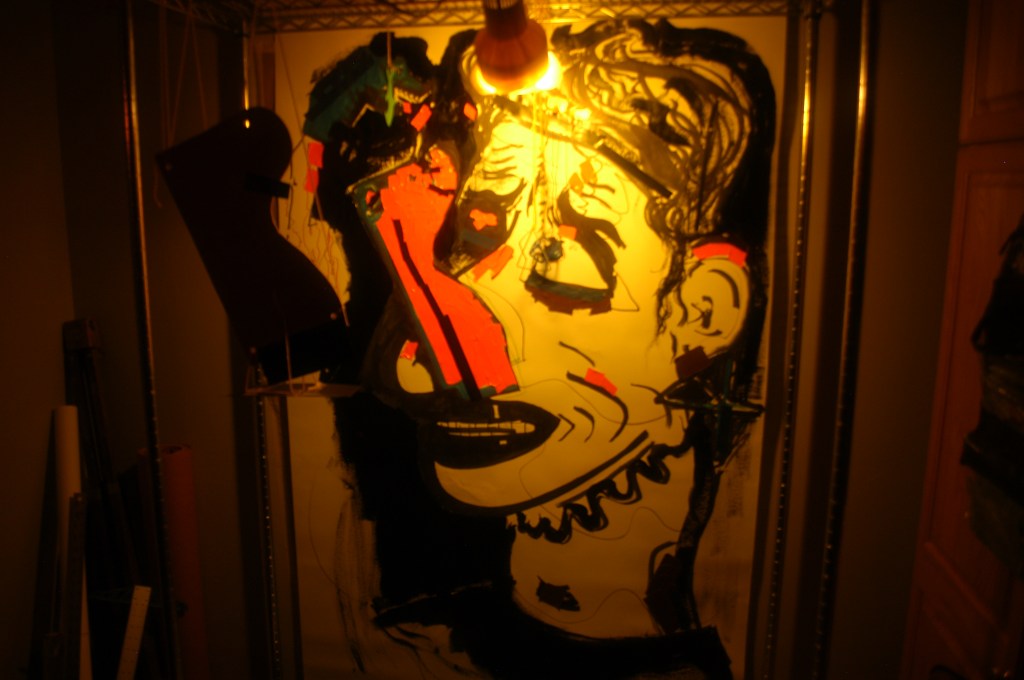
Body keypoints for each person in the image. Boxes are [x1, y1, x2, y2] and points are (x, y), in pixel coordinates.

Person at [306, 17, 774, 679]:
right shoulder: (404, 649)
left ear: (701, 312)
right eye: (474, 238)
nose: (445, 346)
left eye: (562, 267)